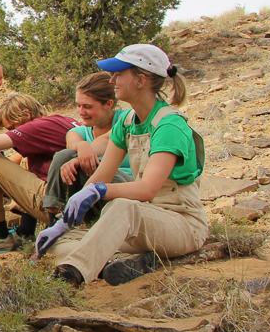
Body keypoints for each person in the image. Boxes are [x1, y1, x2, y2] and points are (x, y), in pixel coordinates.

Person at [38, 45, 207, 286]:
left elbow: (148, 189)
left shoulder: (169, 125)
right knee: (59, 240)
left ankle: (70, 275)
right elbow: (101, 175)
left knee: (121, 207)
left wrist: (99, 191)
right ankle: (119, 262)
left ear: (140, 80)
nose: (113, 79)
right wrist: (63, 223)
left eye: (119, 73)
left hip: (180, 222)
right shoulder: (128, 122)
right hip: (142, 220)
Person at [0, 93, 78, 253]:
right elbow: (23, 164)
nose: (13, 132)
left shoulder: (36, 126)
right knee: (24, 159)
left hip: (57, 204)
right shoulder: (61, 121)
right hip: (76, 200)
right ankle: (25, 233)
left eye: (12, 128)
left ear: (26, 115)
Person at [42, 71, 134, 215]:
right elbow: (72, 142)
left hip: (126, 186)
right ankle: (55, 211)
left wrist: (81, 158)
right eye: (78, 105)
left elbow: (109, 140)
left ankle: (67, 216)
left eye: (88, 107)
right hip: (92, 192)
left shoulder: (127, 119)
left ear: (109, 104)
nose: (81, 111)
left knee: (82, 163)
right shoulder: (80, 132)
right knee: (65, 155)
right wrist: (82, 146)